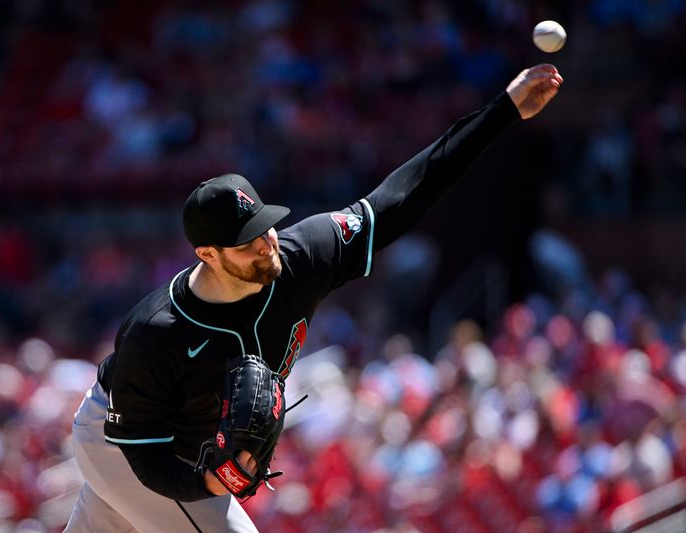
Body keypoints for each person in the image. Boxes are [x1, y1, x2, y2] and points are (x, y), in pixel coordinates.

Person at [64, 63, 563, 532]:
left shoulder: (303, 256)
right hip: (127, 446)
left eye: (266, 226)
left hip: (174, 450)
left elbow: (403, 195)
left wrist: (502, 112)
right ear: (208, 254)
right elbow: (144, 454)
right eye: (248, 241)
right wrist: (206, 484)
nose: (267, 243)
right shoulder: (158, 331)